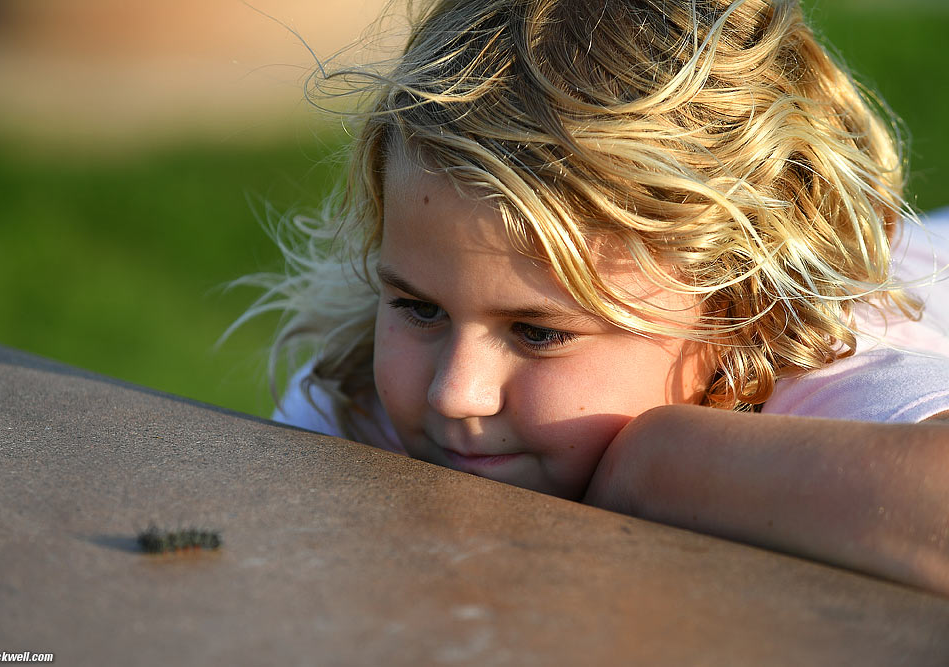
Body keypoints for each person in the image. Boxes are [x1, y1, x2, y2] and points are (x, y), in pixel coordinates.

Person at [231, 0, 949, 593]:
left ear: (733, 312)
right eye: (420, 308)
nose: (456, 392)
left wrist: (658, 464)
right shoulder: (367, 393)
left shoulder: (826, 371)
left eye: (537, 331)